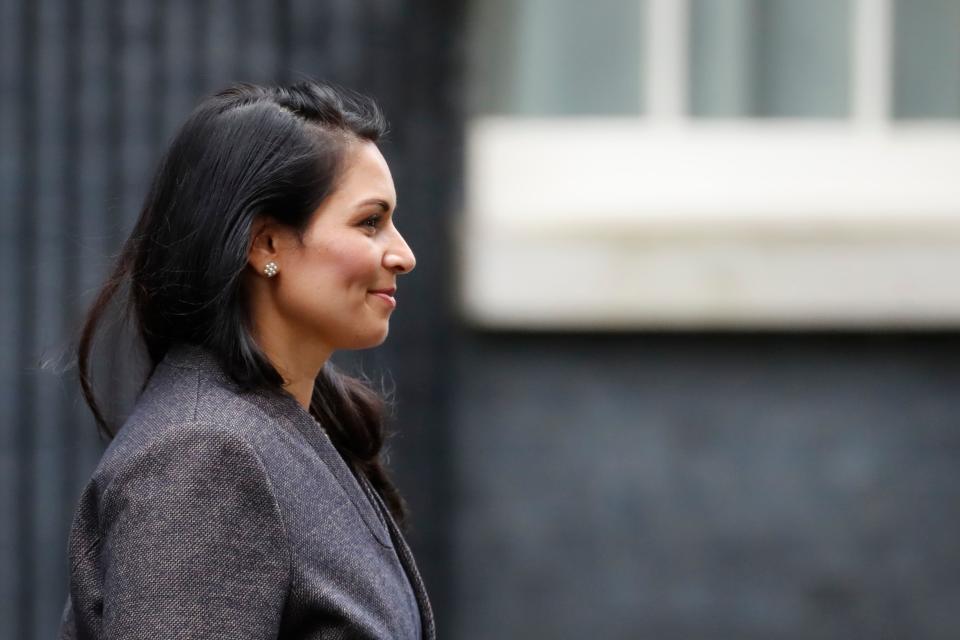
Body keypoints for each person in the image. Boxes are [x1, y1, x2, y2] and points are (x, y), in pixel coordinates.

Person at [57, 80, 435, 639]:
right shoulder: (205, 454)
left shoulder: (286, 435)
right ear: (266, 245)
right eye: (369, 222)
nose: (403, 255)